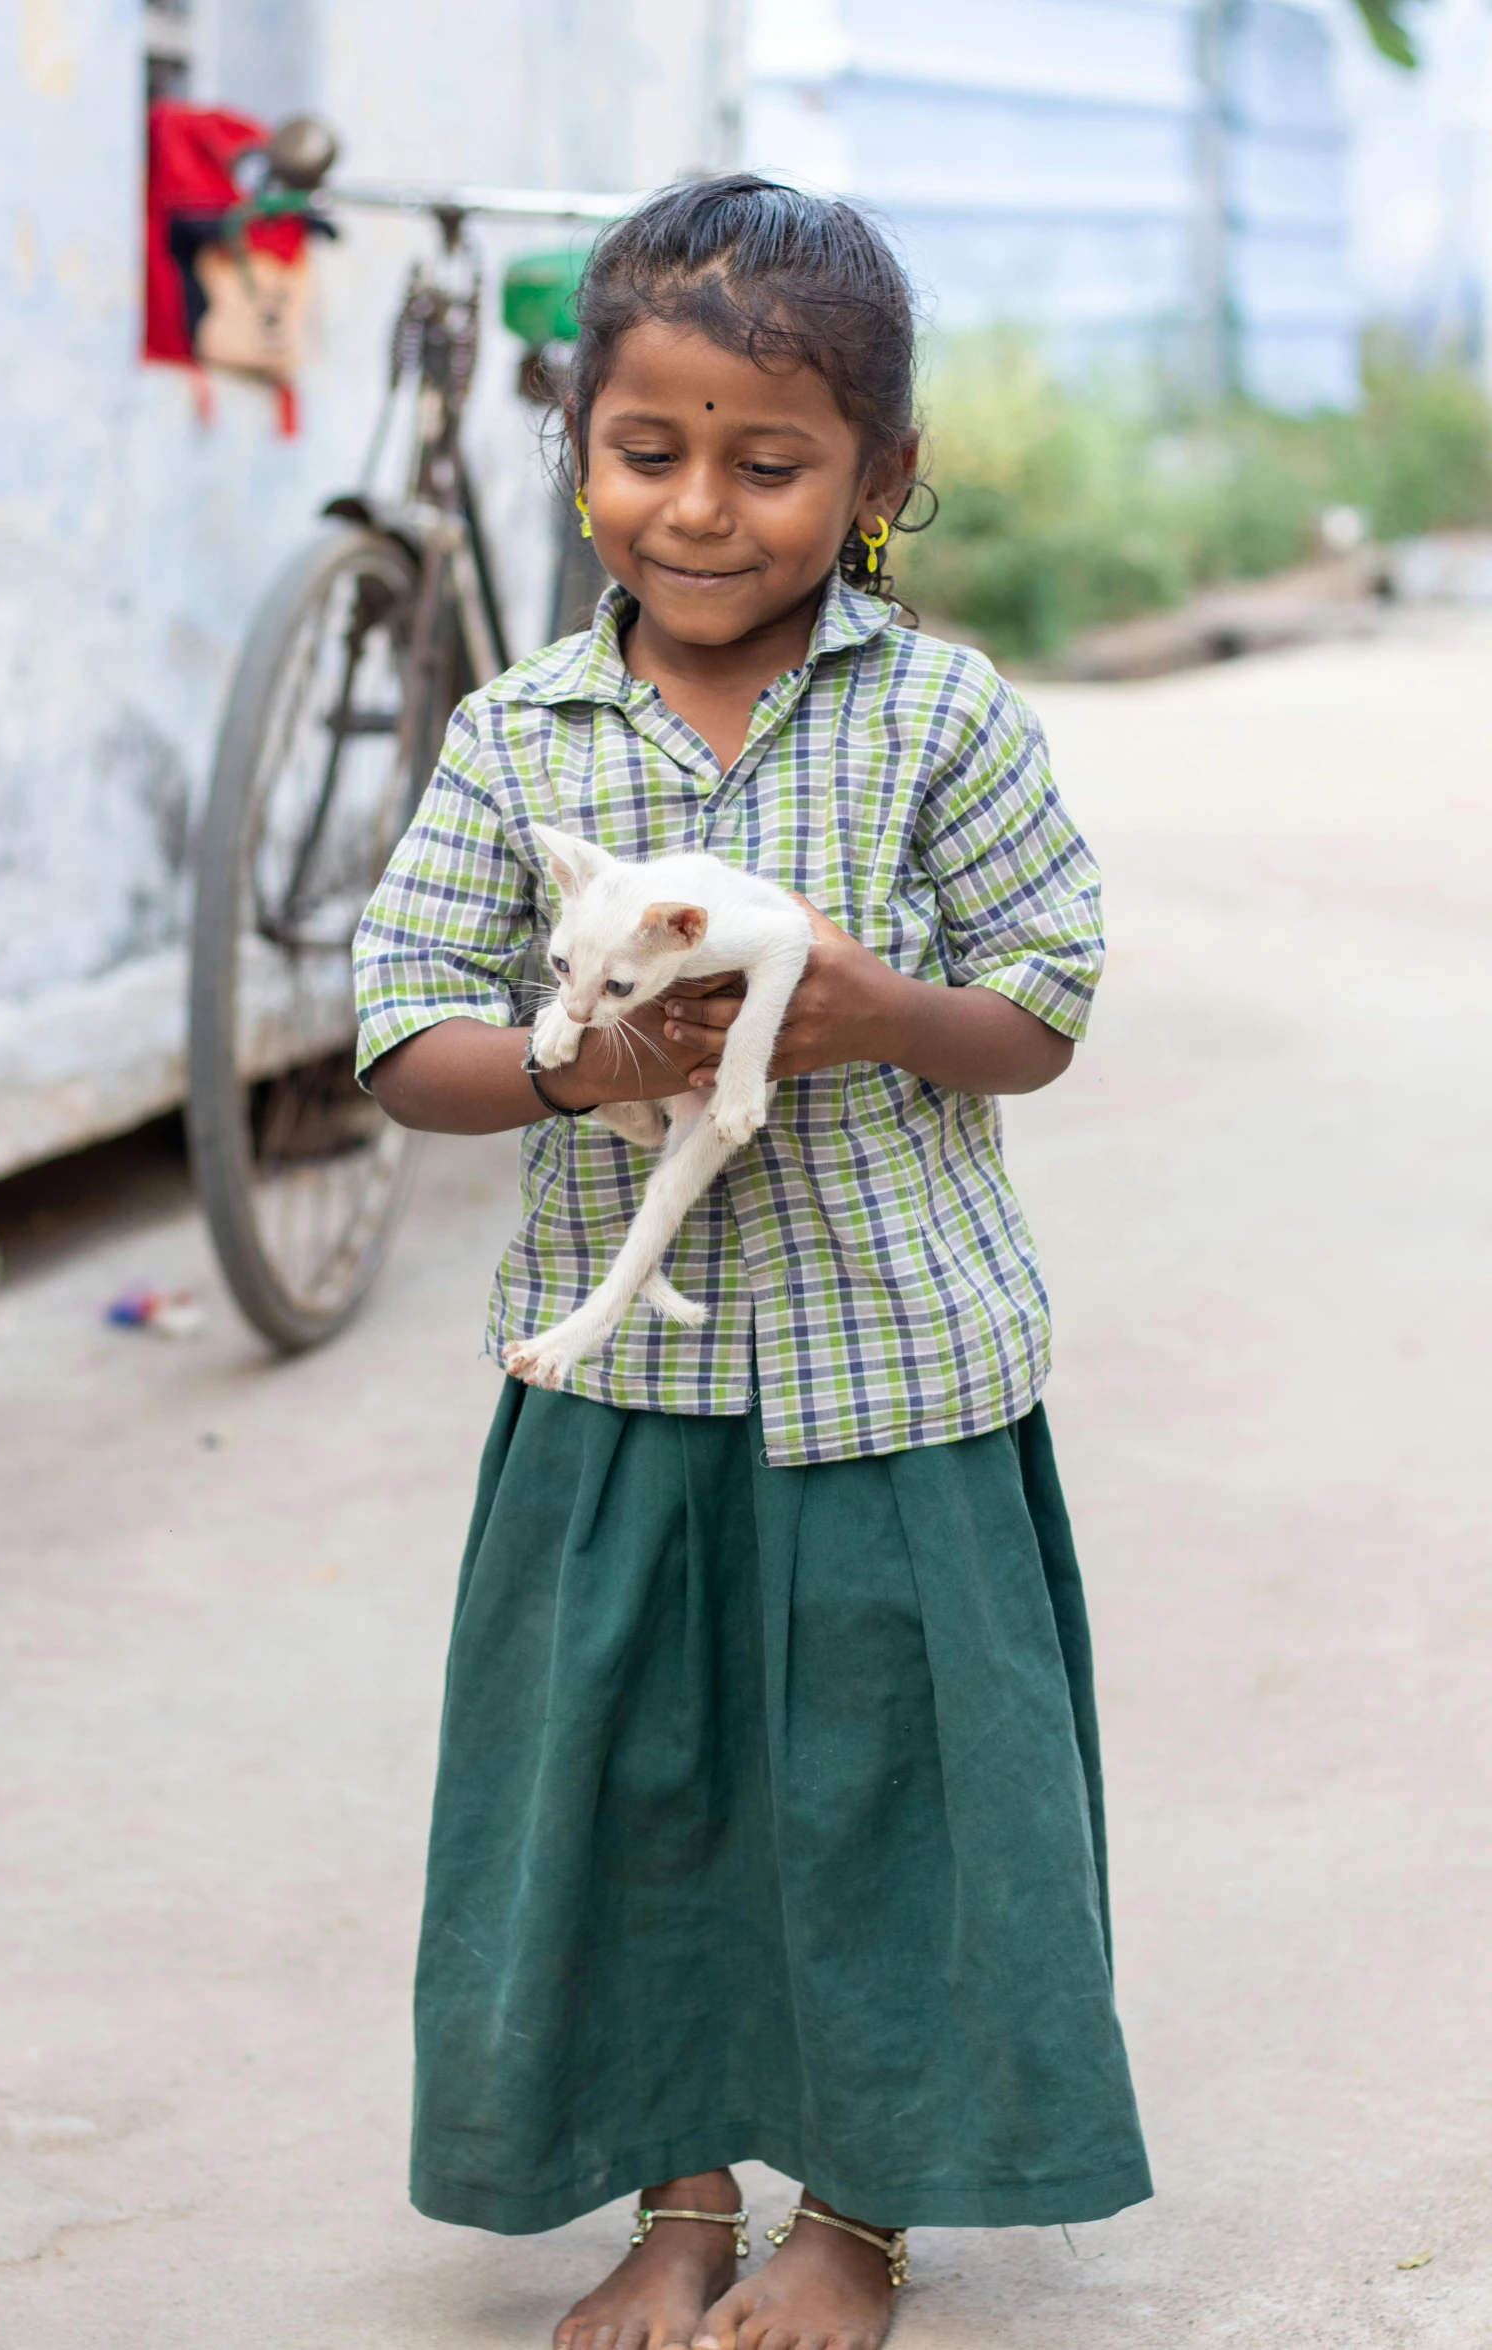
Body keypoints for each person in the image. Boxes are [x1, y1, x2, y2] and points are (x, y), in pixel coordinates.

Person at [353, 173, 1150, 2350]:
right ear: (581, 449)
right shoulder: (527, 735)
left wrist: (884, 1011)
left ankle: (860, 2212)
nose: (701, 509)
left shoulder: (940, 717)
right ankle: (678, 2196)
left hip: (896, 1382)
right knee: (633, 1796)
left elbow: (1048, 1000)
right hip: (616, 1400)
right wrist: (564, 1060)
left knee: (891, 1798)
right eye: (648, 449)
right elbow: (398, 1024)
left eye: (771, 460)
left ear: (877, 480)